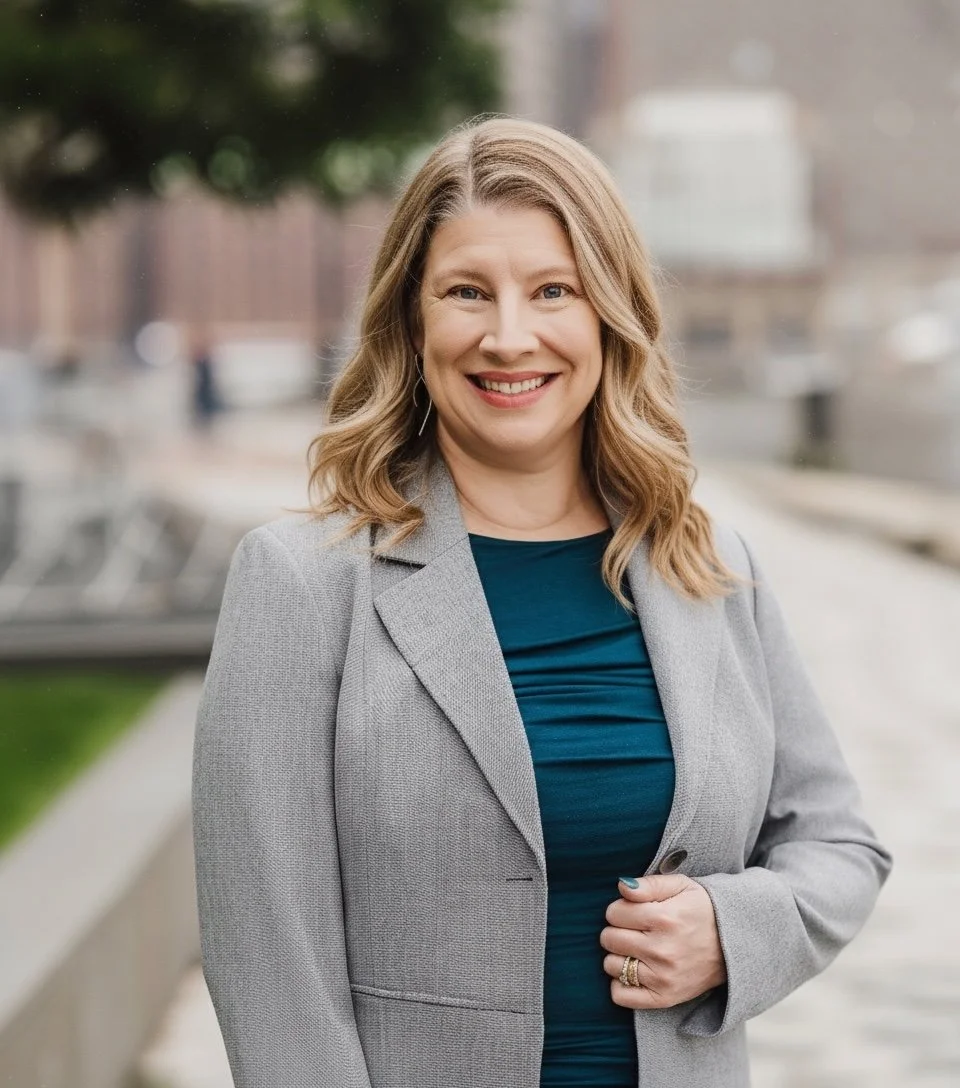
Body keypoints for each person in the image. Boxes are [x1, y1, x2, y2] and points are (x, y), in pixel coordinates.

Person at [192, 117, 891, 1088]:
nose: (508, 335)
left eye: (552, 290)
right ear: (412, 319)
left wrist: (734, 928)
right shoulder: (302, 581)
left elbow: (837, 841)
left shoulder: (708, 564)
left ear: (610, 313)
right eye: (467, 291)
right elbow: (267, 954)